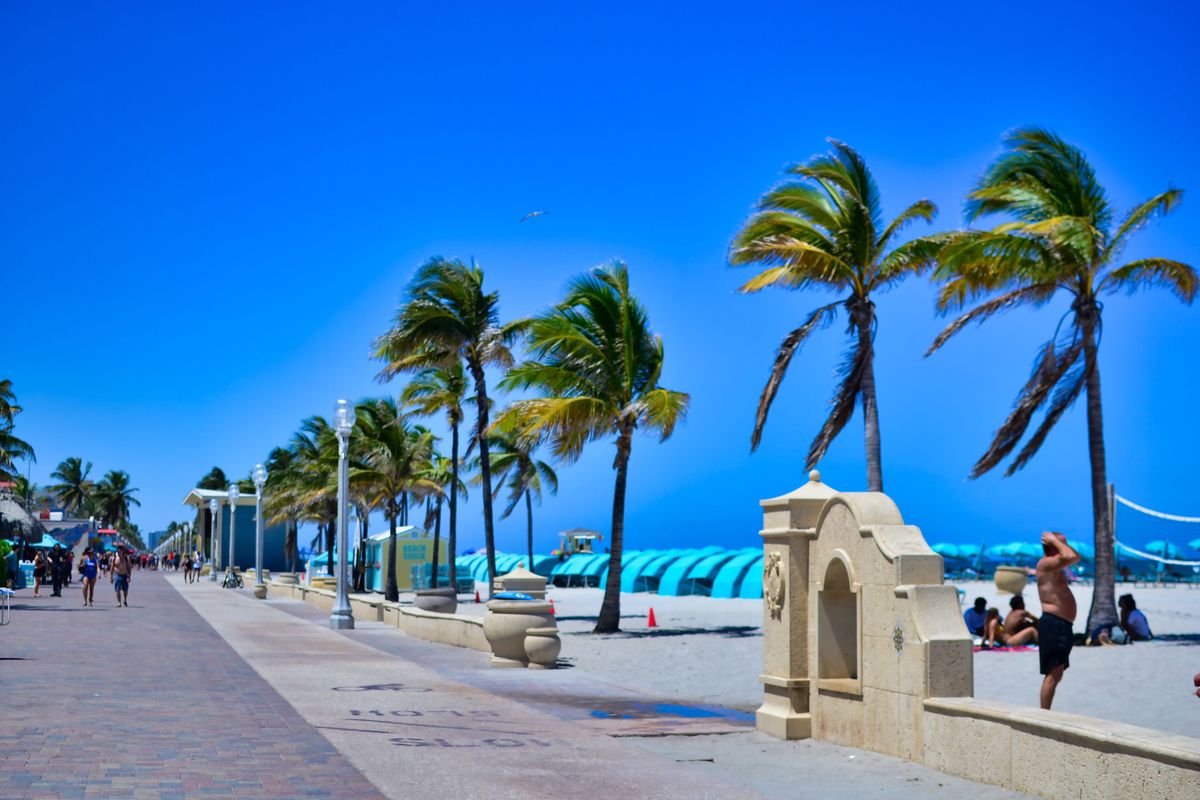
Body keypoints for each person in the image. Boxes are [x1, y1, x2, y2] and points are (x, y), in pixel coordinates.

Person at [1036, 531, 1080, 709]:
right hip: (1054, 623)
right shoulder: (1047, 563)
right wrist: (1055, 540)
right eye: (1064, 544)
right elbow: (1072, 556)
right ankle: (1044, 713)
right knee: (1053, 672)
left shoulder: (1055, 566)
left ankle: (1045, 711)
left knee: (1057, 671)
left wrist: (1057, 542)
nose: (1067, 547)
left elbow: (1070, 555)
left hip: (1061, 624)